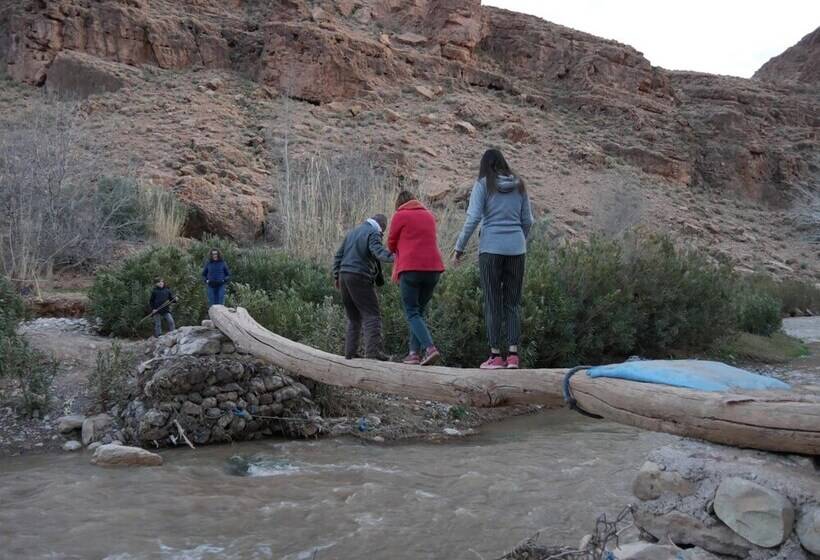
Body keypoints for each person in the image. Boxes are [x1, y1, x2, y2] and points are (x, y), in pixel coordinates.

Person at [454, 148, 534, 369]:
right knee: (512, 302)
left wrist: (458, 248)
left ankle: (495, 355)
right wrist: (519, 240)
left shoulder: (483, 185)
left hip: (490, 249)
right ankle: (514, 356)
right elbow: (528, 221)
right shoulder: (520, 185)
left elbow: (472, 220)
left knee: (492, 302)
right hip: (517, 250)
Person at [387, 191, 445, 366]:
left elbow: (390, 243)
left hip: (411, 268)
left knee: (412, 311)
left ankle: (430, 348)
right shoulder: (429, 215)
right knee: (419, 312)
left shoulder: (400, 215)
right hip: (433, 269)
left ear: (399, 203)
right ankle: (413, 354)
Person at [332, 214, 395, 361]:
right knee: (372, 315)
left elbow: (338, 256)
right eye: (383, 230)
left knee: (353, 317)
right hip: (359, 275)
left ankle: (350, 353)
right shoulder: (373, 232)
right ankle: (373, 352)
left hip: (344, 276)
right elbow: (378, 252)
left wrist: (336, 276)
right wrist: (398, 257)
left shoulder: (353, 232)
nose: (383, 234)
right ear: (381, 225)